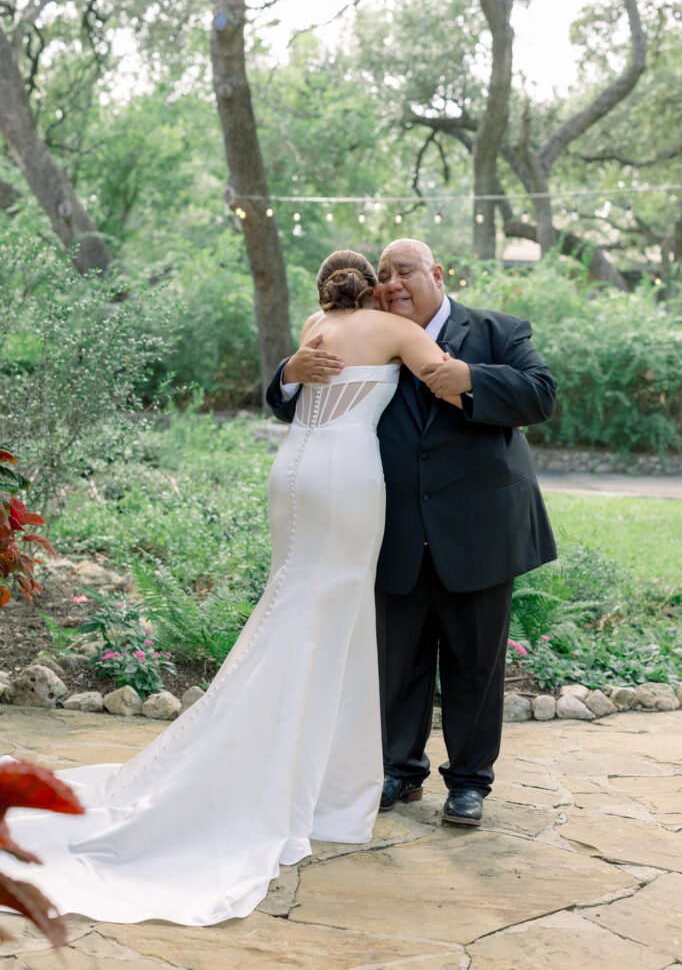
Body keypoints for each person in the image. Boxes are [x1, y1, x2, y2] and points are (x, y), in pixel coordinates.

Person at [0, 249, 461, 926]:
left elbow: (295, 391)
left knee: (296, 607)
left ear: (325, 289)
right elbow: (444, 378)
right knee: (329, 619)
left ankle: (310, 782)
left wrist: (288, 372)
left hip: (295, 473)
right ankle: (315, 792)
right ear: (371, 289)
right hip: (347, 479)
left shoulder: (313, 325)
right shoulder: (394, 331)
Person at [267, 238, 557, 827]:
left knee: (476, 664)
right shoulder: (367, 330)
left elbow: (540, 395)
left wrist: (470, 378)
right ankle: (399, 769)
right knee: (396, 660)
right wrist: (287, 374)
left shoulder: (498, 331)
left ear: (437, 274)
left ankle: (470, 782)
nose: (393, 282)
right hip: (391, 526)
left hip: (478, 531)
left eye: (405, 271)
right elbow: (303, 404)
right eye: (384, 274)